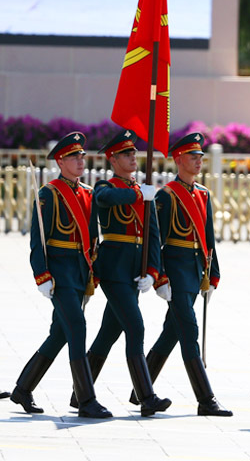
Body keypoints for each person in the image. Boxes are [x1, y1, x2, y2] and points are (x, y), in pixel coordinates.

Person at [8, 133, 112, 418]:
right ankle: (86, 399)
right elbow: (38, 239)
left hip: (80, 270)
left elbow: (93, 237)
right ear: (60, 162)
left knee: (60, 333)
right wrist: (41, 274)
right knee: (77, 327)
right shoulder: (49, 194)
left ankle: (23, 389)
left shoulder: (88, 193)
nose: (80, 161)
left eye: (82, 156)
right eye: (73, 157)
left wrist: (93, 270)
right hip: (59, 271)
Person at [129, 133, 232, 416]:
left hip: (195, 270)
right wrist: (160, 277)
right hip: (175, 272)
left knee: (171, 332)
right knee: (189, 331)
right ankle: (206, 400)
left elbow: (208, 238)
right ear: (178, 159)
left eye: (200, 157)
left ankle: (140, 391)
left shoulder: (203, 194)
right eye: (192, 156)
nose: (198, 161)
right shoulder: (167, 195)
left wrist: (213, 274)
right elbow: (155, 239)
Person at [78, 129, 171, 417]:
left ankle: (79, 394)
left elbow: (153, 235)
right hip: (114, 269)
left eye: (134, 153)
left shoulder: (143, 192)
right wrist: (138, 194)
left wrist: (153, 271)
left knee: (108, 333)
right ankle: (147, 397)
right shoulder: (108, 187)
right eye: (126, 154)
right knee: (136, 327)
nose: (133, 157)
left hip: (135, 271)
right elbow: (104, 198)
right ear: (113, 159)